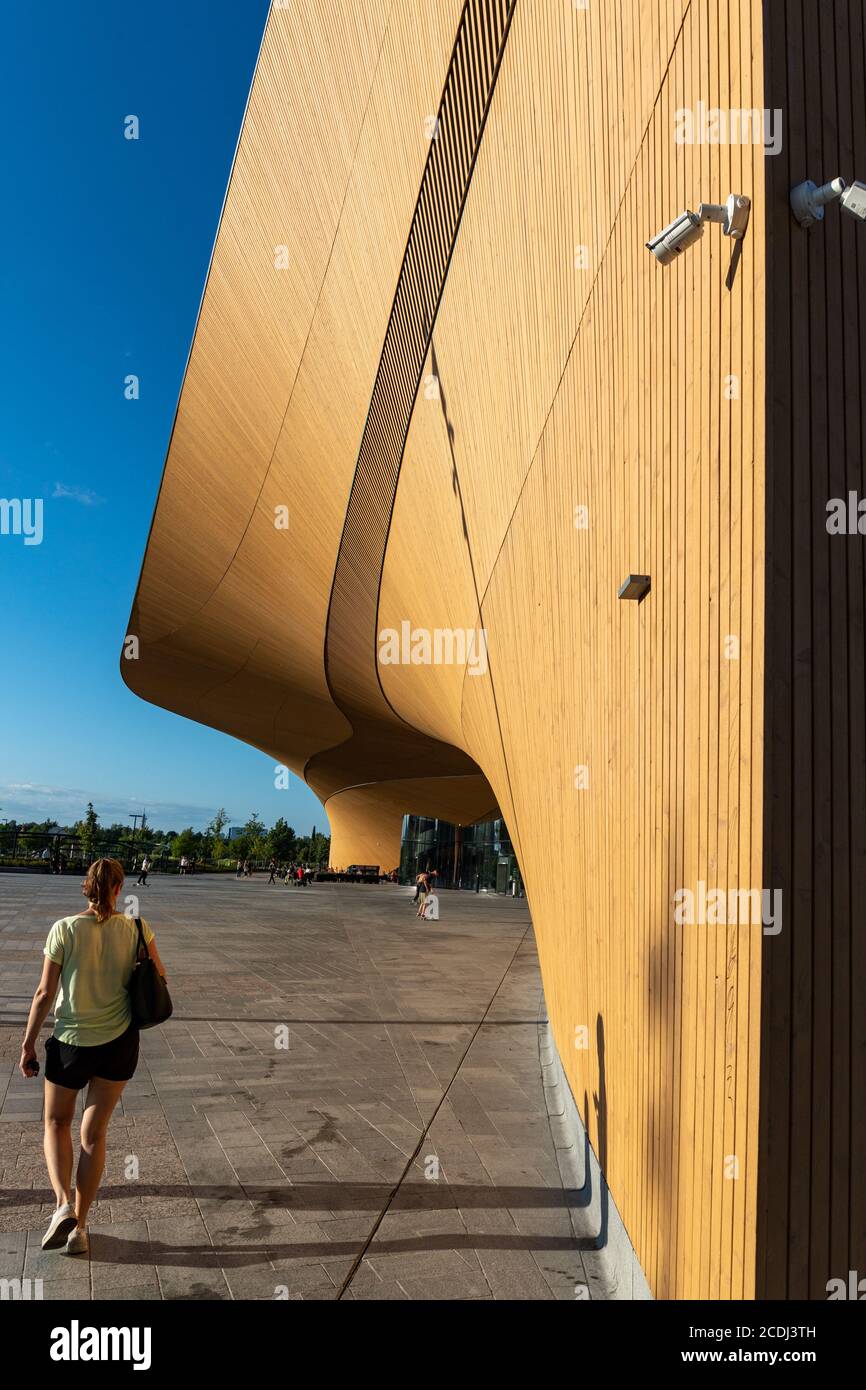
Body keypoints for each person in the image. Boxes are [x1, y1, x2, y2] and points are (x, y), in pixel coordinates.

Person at [19, 858, 167, 1256]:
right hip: (119, 1043)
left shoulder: (64, 929)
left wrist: (27, 1044)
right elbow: (162, 979)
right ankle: (80, 1228)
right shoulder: (138, 928)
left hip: (70, 1044)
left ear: (86, 887)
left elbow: (44, 994)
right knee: (93, 1136)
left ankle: (62, 1204)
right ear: (120, 889)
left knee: (55, 1122)